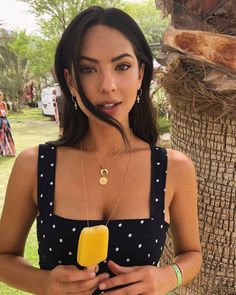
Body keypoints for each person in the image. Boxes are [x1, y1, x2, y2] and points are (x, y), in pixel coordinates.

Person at [0, 6, 202, 295]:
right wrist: (43, 282)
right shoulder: (35, 165)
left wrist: (169, 277)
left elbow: (192, 254)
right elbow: (3, 257)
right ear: (70, 80)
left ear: (140, 74)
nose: (107, 85)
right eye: (88, 69)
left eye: (122, 66)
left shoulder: (174, 169)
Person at [0, 91, 15, 156]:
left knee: (8, 135)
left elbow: (6, 112)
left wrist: (4, 114)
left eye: (1, 95)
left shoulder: (4, 103)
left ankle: (10, 152)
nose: (1, 97)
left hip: (5, 120)